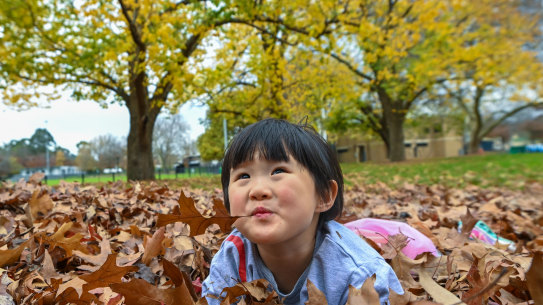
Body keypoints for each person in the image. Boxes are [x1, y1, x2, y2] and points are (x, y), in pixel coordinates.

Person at [202, 118, 403, 304]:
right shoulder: (231, 257)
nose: (257, 190)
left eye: (278, 171)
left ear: (323, 195)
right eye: (243, 176)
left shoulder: (360, 275)